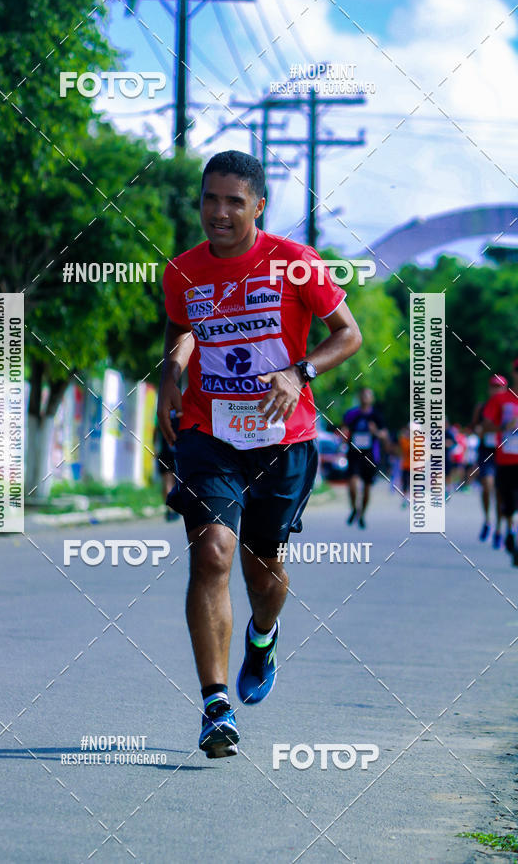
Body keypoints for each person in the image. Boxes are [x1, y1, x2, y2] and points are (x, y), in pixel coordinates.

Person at [157, 150, 362, 758]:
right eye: (209, 200)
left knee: (263, 571)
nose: (219, 213)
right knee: (212, 554)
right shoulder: (182, 271)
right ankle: (216, 706)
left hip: (283, 438)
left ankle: (263, 636)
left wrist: (299, 373)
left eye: (233, 202)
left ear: (259, 207)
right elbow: (182, 324)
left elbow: (348, 335)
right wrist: (174, 364)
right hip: (209, 432)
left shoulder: (296, 265)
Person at [482, 361, 518, 566]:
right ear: (514, 372)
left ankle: (512, 534)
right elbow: (486, 427)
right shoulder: (501, 400)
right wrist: (505, 426)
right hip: (505, 459)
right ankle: (508, 530)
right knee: (508, 503)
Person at [341, 388, 388, 528]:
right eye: (362, 395)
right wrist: (344, 434)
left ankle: (362, 514)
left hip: (370, 455)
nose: (365, 398)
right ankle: (354, 508)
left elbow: (384, 435)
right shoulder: (352, 414)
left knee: (367, 487)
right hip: (354, 453)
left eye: (368, 396)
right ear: (359, 397)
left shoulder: (376, 416)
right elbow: (343, 429)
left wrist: (376, 432)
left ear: (372, 399)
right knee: (352, 483)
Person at [470, 375, 507, 545]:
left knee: (500, 492)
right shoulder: (482, 407)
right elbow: (475, 426)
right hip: (486, 451)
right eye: (493, 387)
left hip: (503, 452)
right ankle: (487, 520)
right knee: (487, 485)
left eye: (499, 387)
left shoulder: (509, 407)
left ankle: (499, 528)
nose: (496, 390)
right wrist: (480, 430)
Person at [154, 411, 180, 521]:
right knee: (174, 482)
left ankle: (169, 509)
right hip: (178, 452)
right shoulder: (182, 412)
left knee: (167, 482)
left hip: (165, 452)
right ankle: (173, 509)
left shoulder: (163, 412)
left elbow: (156, 431)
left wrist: (154, 446)